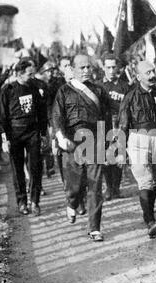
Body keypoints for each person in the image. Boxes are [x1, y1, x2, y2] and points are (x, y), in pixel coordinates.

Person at [52, 54, 110, 242]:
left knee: (95, 185)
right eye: (82, 68)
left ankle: (94, 228)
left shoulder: (99, 91)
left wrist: (110, 143)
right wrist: (60, 137)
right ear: (73, 69)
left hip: (95, 140)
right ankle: (72, 202)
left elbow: (106, 118)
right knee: (75, 184)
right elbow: (57, 117)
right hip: (73, 141)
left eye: (88, 68)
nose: (86, 71)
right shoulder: (64, 91)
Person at [118, 60, 156, 239]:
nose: (152, 75)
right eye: (148, 73)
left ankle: (148, 213)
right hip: (138, 139)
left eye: (153, 71)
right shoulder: (131, 96)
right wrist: (120, 151)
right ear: (138, 77)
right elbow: (122, 125)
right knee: (145, 180)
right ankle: (150, 221)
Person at [0, 58, 48, 216]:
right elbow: (1, 115)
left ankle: (35, 201)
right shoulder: (8, 89)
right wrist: (5, 138)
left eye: (33, 74)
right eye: (29, 74)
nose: (32, 77)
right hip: (15, 134)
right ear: (19, 74)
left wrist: (43, 134)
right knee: (17, 170)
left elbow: (42, 112)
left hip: (32, 132)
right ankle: (22, 202)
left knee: (35, 168)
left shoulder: (34, 87)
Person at [97, 52, 131, 200]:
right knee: (105, 157)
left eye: (113, 67)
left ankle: (116, 188)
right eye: (108, 67)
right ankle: (109, 188)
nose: (111, 71)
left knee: (117, 156)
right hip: (102, 124)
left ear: (118, 68)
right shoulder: (98, 86)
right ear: (103, 67)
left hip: (119, 124)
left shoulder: (125, 86)